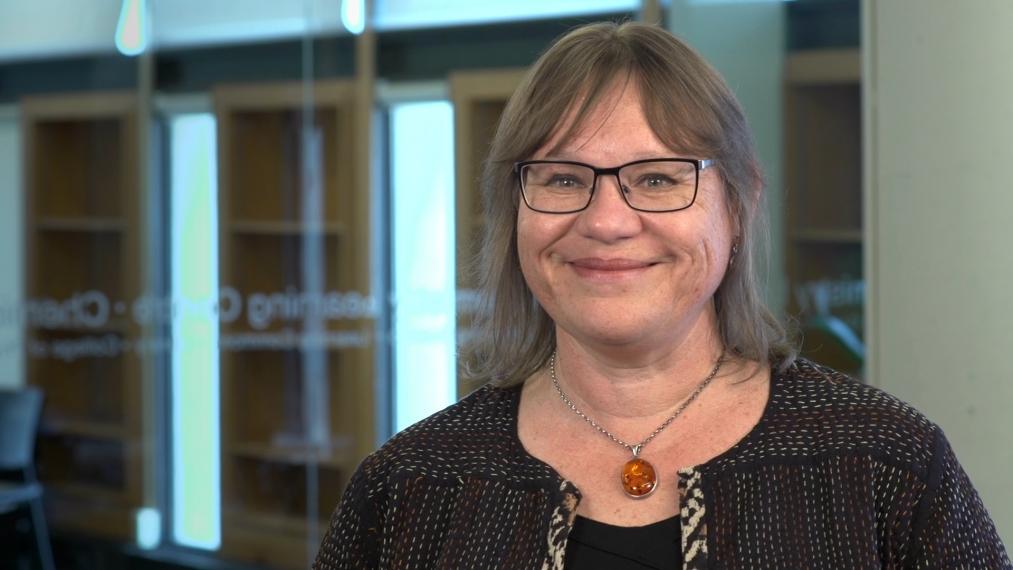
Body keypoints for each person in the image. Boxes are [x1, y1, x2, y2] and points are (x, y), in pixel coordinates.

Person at [314, 21, 1010, 569]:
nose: (606, 221)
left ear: (737, 207)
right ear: (514, 212)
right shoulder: (410, 487)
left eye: (656, 178)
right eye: (561, 178)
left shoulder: (883, 463)